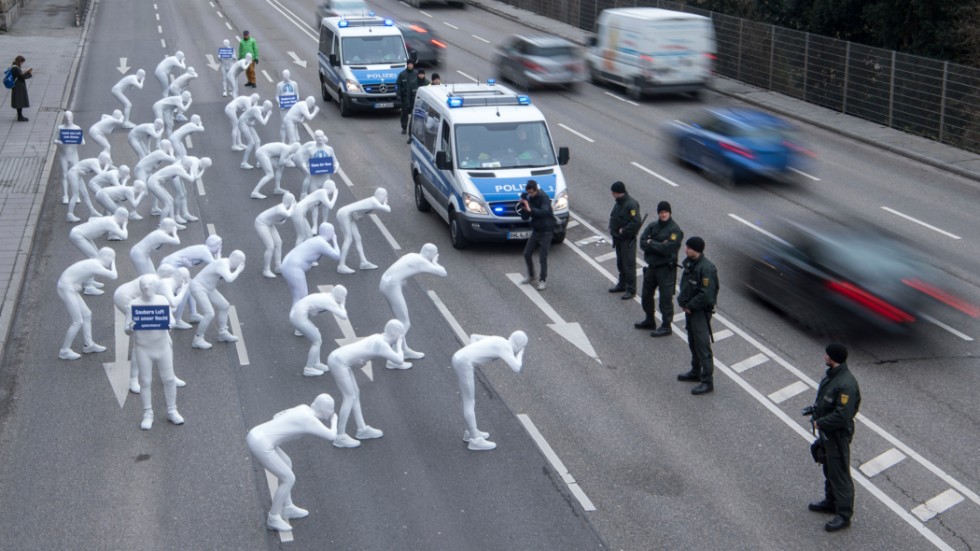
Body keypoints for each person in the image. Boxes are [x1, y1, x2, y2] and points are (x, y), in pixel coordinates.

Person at [246, 394, 338, 532]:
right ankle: (273, 518)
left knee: (287, 462)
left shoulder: (303, 408)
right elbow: (332, 436)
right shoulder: (310, 420)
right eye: (331, 408)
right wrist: (335, 421)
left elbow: (277, 415)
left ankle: (287, 507)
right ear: (323, 409)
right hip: (261, 444)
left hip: (257, 433)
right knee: (289, 478)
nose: (332, 412)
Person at [327, 319, 407, 448]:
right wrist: (399, 344)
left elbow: (360, 356)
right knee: (349, 397)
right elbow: (399, 360)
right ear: (395, 334)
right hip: (339, 362)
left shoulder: (377, 337)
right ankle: (340, 436)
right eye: (401, 334)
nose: (402, 336)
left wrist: (360, 361)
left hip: (339, 360)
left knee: (355, 393)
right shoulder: (382, 344)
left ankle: (362, 429)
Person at [807, 343, 861, 532]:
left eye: (827, 355)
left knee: (840, 474)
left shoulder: (845, 384)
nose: (824, 357)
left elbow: (843, 415)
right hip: (828, 434)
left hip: (837, 435)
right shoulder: (834, 376)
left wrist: (821, 423)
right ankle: (831, 501)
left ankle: (844, 514)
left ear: (833, 358)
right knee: (828, 467)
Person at [126, 275, 184, 430]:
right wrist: (131, 327)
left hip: (162, 347)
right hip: (143, 348)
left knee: (169, 379)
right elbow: (127, 329)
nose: (146, 288)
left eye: (149, 285)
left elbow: (171, 320)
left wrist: (169, 324)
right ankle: (147, 413)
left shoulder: (162, 301)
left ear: (154, 286)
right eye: (143, 285)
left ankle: (172, 410)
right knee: (145, 381)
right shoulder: (133, 305)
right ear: (140, 287)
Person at [451, 331, 527, 451]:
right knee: (469, 401)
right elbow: (516, 367)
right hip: (464, 363)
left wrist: (472, 352)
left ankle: (471, 431)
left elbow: (474, 336)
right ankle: (475, 440)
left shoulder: (499, 339)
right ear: (520, 346)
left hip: (459, 357)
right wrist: (521, 354)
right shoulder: (506, 348)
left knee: (468, 400)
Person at [379, 243, 447, 368]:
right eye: (435, 254)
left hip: (384, 282)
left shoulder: (412, 255)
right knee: (405, 323)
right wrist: (435, 262)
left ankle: (404, 350)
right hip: (391, 286)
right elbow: (443, 273)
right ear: (432, 254)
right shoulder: (421, 261)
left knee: (400, 320)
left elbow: (401, 269)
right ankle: (393, 359)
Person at [676, 236, 719, 395]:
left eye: (689, 248)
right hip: (690, 310)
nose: (686, 250)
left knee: (702, 346)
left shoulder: (706, 268)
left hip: (700, 312)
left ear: (697, 250)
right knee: (693, 342)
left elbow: (707, 295)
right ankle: (696, 371)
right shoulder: (690, 263)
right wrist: (682, 301)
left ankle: (707, 381)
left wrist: (690, 305)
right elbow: (686, 285)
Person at [57, 248, 117, 360]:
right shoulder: (96, 265)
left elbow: (79, 277)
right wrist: (114, 262)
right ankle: (64, 351)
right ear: (107, 257)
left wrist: (77, 285)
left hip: (69, 286)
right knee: (77, 321)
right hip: (66, 288)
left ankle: (88, 345)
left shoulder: (93, 262)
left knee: (87, 314)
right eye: (112, 258)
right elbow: (114, 276)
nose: (111, 260)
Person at [635, 201, 683, 336]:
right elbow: (643, 242)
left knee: (665, 299)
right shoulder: (653, 226)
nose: (663, 215)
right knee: (646, 295)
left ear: (670, 213)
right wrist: (656, 244)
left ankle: (666, 325)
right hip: (652, 266)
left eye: (665, 212)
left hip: (666, 269)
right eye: (661, 212)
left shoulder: (675, 230)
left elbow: (667, 249)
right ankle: (649, 319)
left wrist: (652, 243)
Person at [189, 250, 246, 350]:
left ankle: (223, 332)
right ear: (236, 260)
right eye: (242, 261)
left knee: (224, 306)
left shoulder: (224, 263)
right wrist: (238, 271)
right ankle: (197, 339)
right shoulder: (223, 263)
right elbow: (229, 279)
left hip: (208, 288)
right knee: (209, 313)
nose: (242, 264)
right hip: (199, 287)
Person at [289, 287, 347, 377]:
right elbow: (343, 316)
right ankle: (308, 369)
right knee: (317, 341)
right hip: (298, 317)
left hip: (295, 313)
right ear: (339, 295)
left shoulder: (326, 295)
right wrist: (343, 304)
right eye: (344, 296)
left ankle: (316, 363)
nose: (344, 298)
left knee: (317, 334)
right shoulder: (330, 301)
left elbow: (313, 311)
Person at [281, 222, 340, 305]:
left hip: (288, 265)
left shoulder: (316, 239)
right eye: (333, 231)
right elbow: (337, 256)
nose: (333, 233)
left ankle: (297, 316)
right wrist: (335, 240)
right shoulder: (321, 243)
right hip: (294, 267)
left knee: (298, 297)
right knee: (302, 298)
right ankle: (298, 316)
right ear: (329, 231)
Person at [336, 188, 390, 274]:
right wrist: (385, 203)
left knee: (357, 237)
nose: (386, 198)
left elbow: (355, 212)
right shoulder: (374, 201)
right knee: (348, 239)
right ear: (382, 196)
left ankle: (363, 262)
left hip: (348, 215)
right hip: (344, 214)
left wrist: (357, 217)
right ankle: (341, 266)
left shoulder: (372, 200)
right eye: (385, 196)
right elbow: (388, 210)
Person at [516, 180, 556, 291]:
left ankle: (542, 280)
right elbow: (524, 217)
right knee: (527, 253)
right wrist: (522, 207)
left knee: (543, 257)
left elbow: (544, 212)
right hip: (536, 229)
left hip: (547, 230)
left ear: (536, 190)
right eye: (528, 193)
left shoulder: (544, 197)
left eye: (532, 193)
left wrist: (530, 209)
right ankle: (531, 275)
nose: (530, 195)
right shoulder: (527, 197)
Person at [608, 181, 642, 300]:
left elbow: (636, 222)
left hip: (627, 240)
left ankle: (631, 289)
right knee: (620, 263)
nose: (612, 194)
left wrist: (624, 231)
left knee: (629, 265)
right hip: (618, 238)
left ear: (617, 192)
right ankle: (622, 284)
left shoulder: (631, 204)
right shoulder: (619, 203)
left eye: (613, 192)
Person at [254, 192, 296, 278]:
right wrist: (292, 206)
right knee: (270, 246)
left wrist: (292, 207)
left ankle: (278, 267)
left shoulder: (286, 208)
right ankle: (266, 270)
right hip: (261, 223)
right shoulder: (280, 208)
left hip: (269, 223)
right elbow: (288, 214)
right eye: (292, 200)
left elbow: (282, 220)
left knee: (278, 243)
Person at [55, 111, 85, 204]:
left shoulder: (76, 128)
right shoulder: (60, 128)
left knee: (76, 175)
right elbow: (55, 139)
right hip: (63, 155)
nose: (68, 119)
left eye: (70, 117)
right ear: (64, 118)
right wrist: (58, 142)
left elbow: (82, 140)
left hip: (74, 155)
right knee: (64, 175)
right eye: (66, 117)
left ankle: (76, 195)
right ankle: (65, 195)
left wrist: (81, 141)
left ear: (72, 118)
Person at [397, 58, 418, 134]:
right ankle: (404, 127)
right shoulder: (402, 74)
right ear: (407, 64)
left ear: (413, 65)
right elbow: (398, 85)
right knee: (404, 113)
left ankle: (413, 129)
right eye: (408, 64)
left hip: (414, 97)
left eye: (411, 64)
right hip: (404, 98)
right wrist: (398, 94)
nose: (410, 65)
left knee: (415, 114)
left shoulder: (416, 74)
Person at [9, 55, 32, 121]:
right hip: (18, 87)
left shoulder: (14, 67)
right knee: (20, 101)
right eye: (22, 62)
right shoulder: (16, 68)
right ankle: (20, 116)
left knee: (19, 101)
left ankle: (20, 115)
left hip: (17, 86)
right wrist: (28, 73)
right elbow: (21, 77)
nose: (22, 64)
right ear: (20, 61)